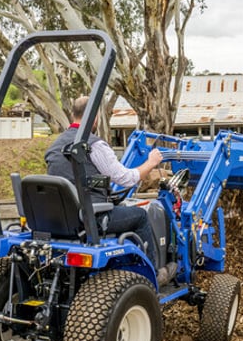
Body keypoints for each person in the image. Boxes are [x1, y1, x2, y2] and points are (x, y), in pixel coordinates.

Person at [45, 96, 176, 285]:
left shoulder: (54, 146)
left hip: (62, 220)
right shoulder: (93, 145)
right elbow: (126, 179)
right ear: (95, 117)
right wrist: (151, 162)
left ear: (73, 115)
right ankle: (153, 275)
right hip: (91, 218)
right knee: (140, 216)